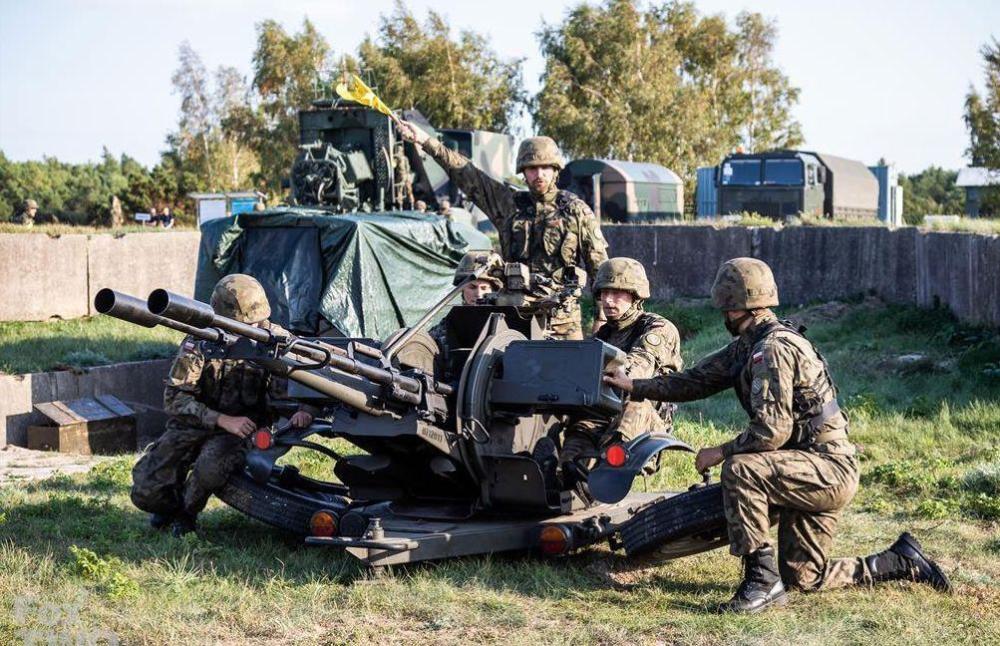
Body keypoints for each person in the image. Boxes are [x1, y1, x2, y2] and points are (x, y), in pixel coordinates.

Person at [603, 258, 951, 612]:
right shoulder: (751, 342)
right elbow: (696, 380)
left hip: (826, 470)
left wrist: (718, 452)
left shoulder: (772, 349)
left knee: (742, 469)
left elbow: (772, 431)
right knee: (804, 577)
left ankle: (761, 582)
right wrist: (635, 385)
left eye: (726, 307)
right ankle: (899, 561)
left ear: (737, 306)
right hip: (805, 468)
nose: (723, 315)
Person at [131, 274, 318, 536]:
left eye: (255, 322)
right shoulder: (201, 340)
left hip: (244, 428)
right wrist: (220, 419)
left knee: (209, 468)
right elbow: (174, 398)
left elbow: (310, 382)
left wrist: (305, 411)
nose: (252, 327)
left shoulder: (276, 340)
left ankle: (186, 515)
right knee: (145, 490)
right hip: (198, 422)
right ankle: (170, 506)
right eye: (243, 323)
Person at [397, 122, 609, 340]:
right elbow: (467, 174)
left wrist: (601, 321)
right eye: (532, 168)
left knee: (571, 372)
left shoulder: (576, 211)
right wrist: (425, 141)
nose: (539, 174)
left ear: (555, 170)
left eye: (545, 168)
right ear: (523, 172)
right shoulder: (508, 205)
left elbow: (600, 270)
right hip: (515, 318)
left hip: (563, 322)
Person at [561, 257, 682, 479]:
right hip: (605, 415)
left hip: (644, 420)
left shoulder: (658, 328)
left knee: (636, 399)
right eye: (603, 294)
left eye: (616, 293)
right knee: (572, 446)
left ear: (635, 296)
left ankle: (613, 464)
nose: (608, 300)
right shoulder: (604, 335)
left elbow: (638, 368)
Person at [392, 142, 415, 209]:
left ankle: (400, 205)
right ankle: (411, 204)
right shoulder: (405, 158)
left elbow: (393, 165)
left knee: (399, 190)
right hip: (407, 175)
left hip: (401, 175)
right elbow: (408, 167)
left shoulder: (398, 158)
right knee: (409, 190)